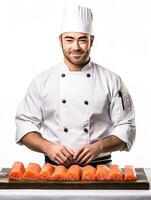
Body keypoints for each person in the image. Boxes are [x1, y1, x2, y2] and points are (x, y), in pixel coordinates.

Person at [15, 5, 136, 167]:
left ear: (91, 41)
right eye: (69, 39)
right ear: (60, 41)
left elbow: (126, 126)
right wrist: (48, 147)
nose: (76, 47)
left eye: (82, 39)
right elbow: (24, 123)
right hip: (53, 170)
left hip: (101, 169)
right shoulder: (42, 81)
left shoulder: (112, 80)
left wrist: (99, 147)